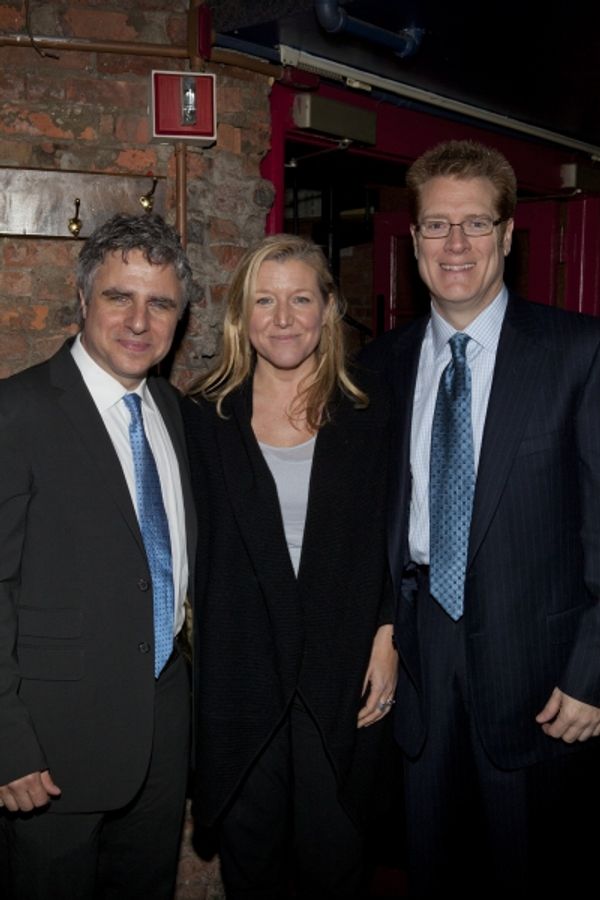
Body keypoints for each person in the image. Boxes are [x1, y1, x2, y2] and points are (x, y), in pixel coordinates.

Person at [360, 140, 600, 897]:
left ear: (505, 235)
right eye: (436, 225)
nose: (454, 245)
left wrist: (594, 676)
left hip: (544, 669)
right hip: (421, 661)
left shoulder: (578, 352)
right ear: (413, 240)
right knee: (431, 867)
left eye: (473, 224)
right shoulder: (380, 366)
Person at [182, 234, 397, 898]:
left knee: (336, 856)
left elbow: (393, 535)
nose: (282, 319)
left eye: (300, 298)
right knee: (254, 862)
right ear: (242, 317)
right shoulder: (203, 416)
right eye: (264, 301)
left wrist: (388, 637)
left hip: (339, 674)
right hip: (241, 673)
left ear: (328, 309)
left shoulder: (370, 412)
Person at [0, 213, 197, 899]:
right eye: (120, 296)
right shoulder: (16, 412)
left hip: (160, 738)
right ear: (84, 300)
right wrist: (8, 744)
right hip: (51, 753)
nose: (140, 320)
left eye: (161, 302)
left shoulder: (173, 411)